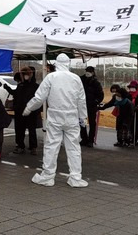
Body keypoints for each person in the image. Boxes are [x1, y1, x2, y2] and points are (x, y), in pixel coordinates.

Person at [25, 53, 88, 188]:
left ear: (56, 63)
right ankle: (75, 177)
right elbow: (81, 100)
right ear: (68, 63)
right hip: (72, 116)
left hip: (55, 116)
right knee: (74, 148)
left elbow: (39, 97)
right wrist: (83, 117)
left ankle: (48, 176)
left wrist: (28, 108)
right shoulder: (76, 78)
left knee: (51, 146)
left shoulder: (51, 77)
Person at [4, 67, 40, 155]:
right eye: (23, 74)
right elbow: (16, 94)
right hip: (20, 111)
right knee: (21, 129)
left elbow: (38, 99)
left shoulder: (35, 86)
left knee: (30, 130)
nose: (25, 76)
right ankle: (21, 145)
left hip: (30, 112)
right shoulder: (21, 86)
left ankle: (31, 147)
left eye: (26, 74)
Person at [79, 66, 104, 148]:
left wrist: (96, 102)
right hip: (82, 105)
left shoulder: (96, 83)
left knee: (92, 123)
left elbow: (101, 95)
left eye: (89, 71)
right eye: (86, 71)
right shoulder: (81, 80)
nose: (87, 73)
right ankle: (84, 139)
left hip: (92, 106)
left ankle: (90, 140)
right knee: (82, 122)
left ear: (93, 72)